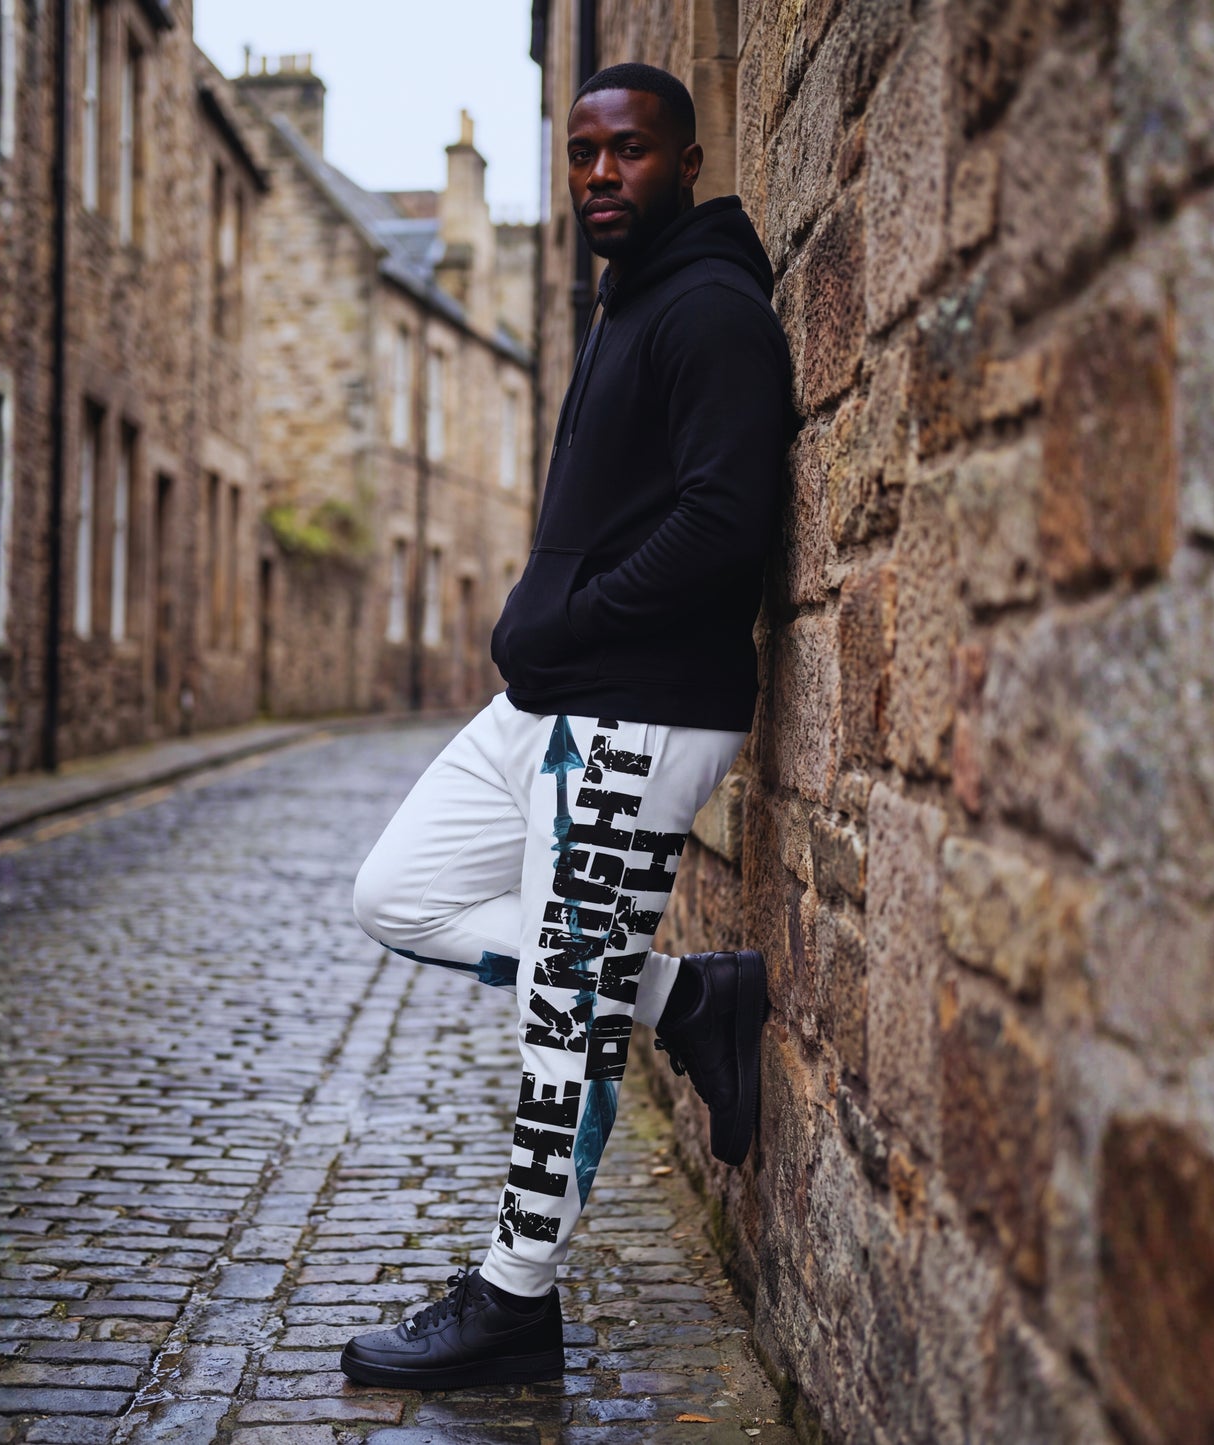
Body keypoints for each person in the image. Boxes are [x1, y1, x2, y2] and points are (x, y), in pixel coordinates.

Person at [341, 61, 793, 1392]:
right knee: (398, 896)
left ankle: (512, 1301)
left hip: (639, 715)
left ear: (686, 162)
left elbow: (724, 524)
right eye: (583, 153)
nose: (601, 175)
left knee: (559, 1007)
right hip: (548, 703)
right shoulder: (622, 305)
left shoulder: (711, 311)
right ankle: (681, 993)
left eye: (630, 152)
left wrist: (574, 612)